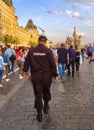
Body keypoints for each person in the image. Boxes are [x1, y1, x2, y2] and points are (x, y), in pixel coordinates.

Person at [23, 35, 57, 122]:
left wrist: (25, 70)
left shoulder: (32, 51)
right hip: (46, 75)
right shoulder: (48, 51)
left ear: (38, 41)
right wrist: (55, 74)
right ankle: (46, 104)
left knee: (38, 94)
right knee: (46, 90)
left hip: (36, 75)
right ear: (45, 42)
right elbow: (52, 64)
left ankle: (39, 114)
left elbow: (27, 62)